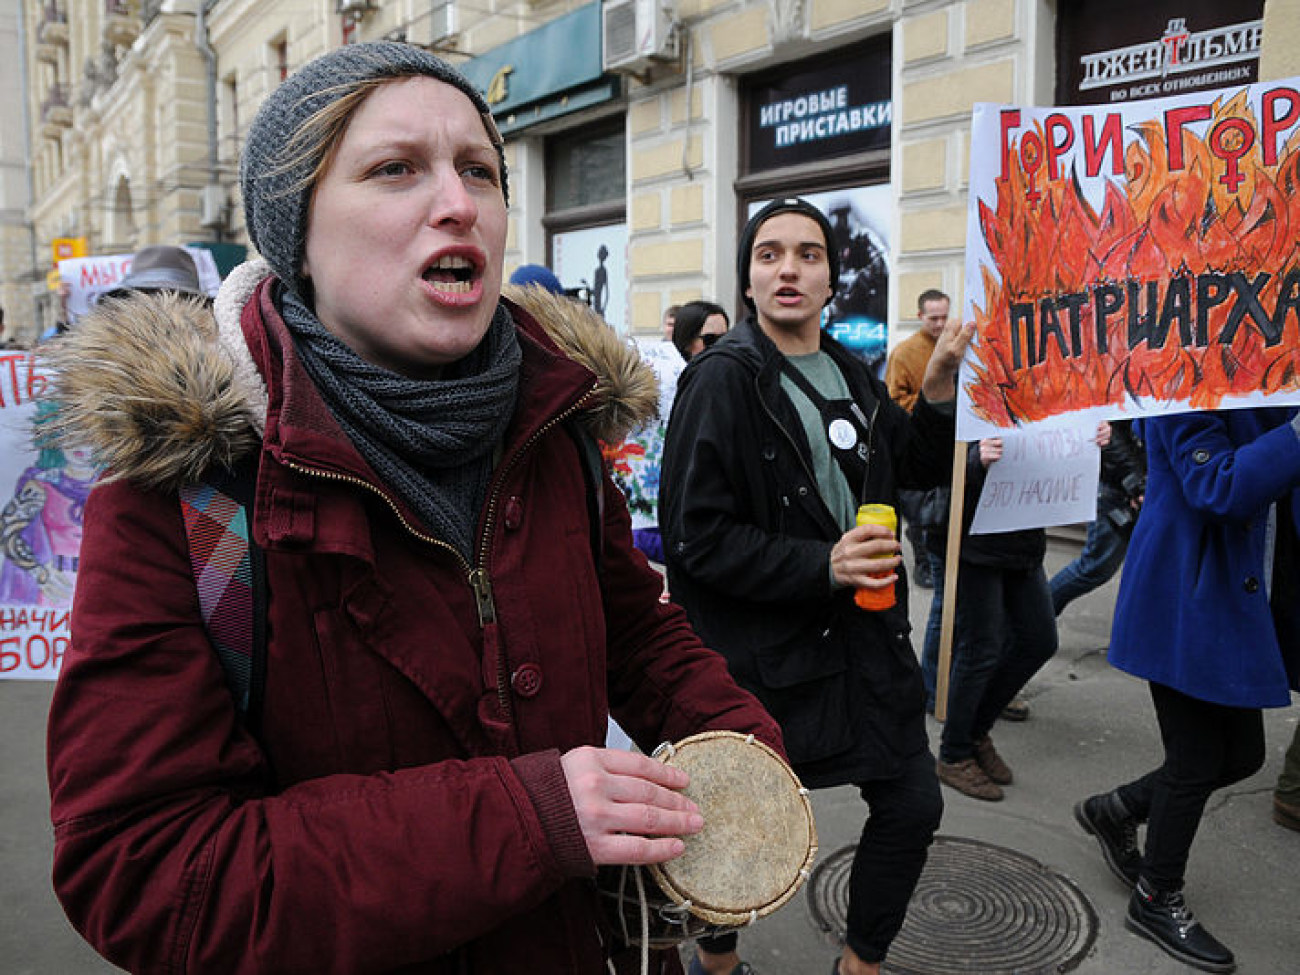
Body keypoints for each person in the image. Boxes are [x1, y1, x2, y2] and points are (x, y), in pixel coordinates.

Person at [40, 42, 782, 975]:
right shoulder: (183, 496)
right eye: (395, 169)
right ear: (295, 228)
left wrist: (742, 742)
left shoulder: (558, 428)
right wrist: (530, 817)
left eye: (479, 170)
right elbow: (146, 870)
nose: (458, 202)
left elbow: (634, 631)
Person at [660, 197, 973, 975]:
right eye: (769, 254)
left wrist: (936, 393)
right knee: (734, 827)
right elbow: (695, 539)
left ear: (833, 275)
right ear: (748, 278)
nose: (789, 268)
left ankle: (859, 965)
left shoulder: (850, 370)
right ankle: (720, 964)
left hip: (869, 644)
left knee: (913, 804)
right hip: (767, 661)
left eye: (808, 253)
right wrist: (821, 564)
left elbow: (922, 469)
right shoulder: (722, 380)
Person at [1075, 408, 1300, 974]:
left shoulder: (1270, 373)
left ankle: (1117, 809)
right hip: (1186, 597)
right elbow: (1216, 486)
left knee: (1243, 755)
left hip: (1236, 603)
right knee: (1196, 758)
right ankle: (1155, 897)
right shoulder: (1187, 374)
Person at [929, 422, 1108, 801]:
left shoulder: (1045, 384)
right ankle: (954, 752)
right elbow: (923, 464)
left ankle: (976, 731)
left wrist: (1091, 442)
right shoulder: (964, 384)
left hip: (1023, 539)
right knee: (981, 649)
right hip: (974, 543)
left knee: (1039, 639)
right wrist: (975, 460)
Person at [1049, 418, 1145, 615]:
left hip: (1134, 484)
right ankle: (1031, 624)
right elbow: (1110, 434)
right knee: (1094, 567)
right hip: (1121, 488)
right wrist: (1139, 484)